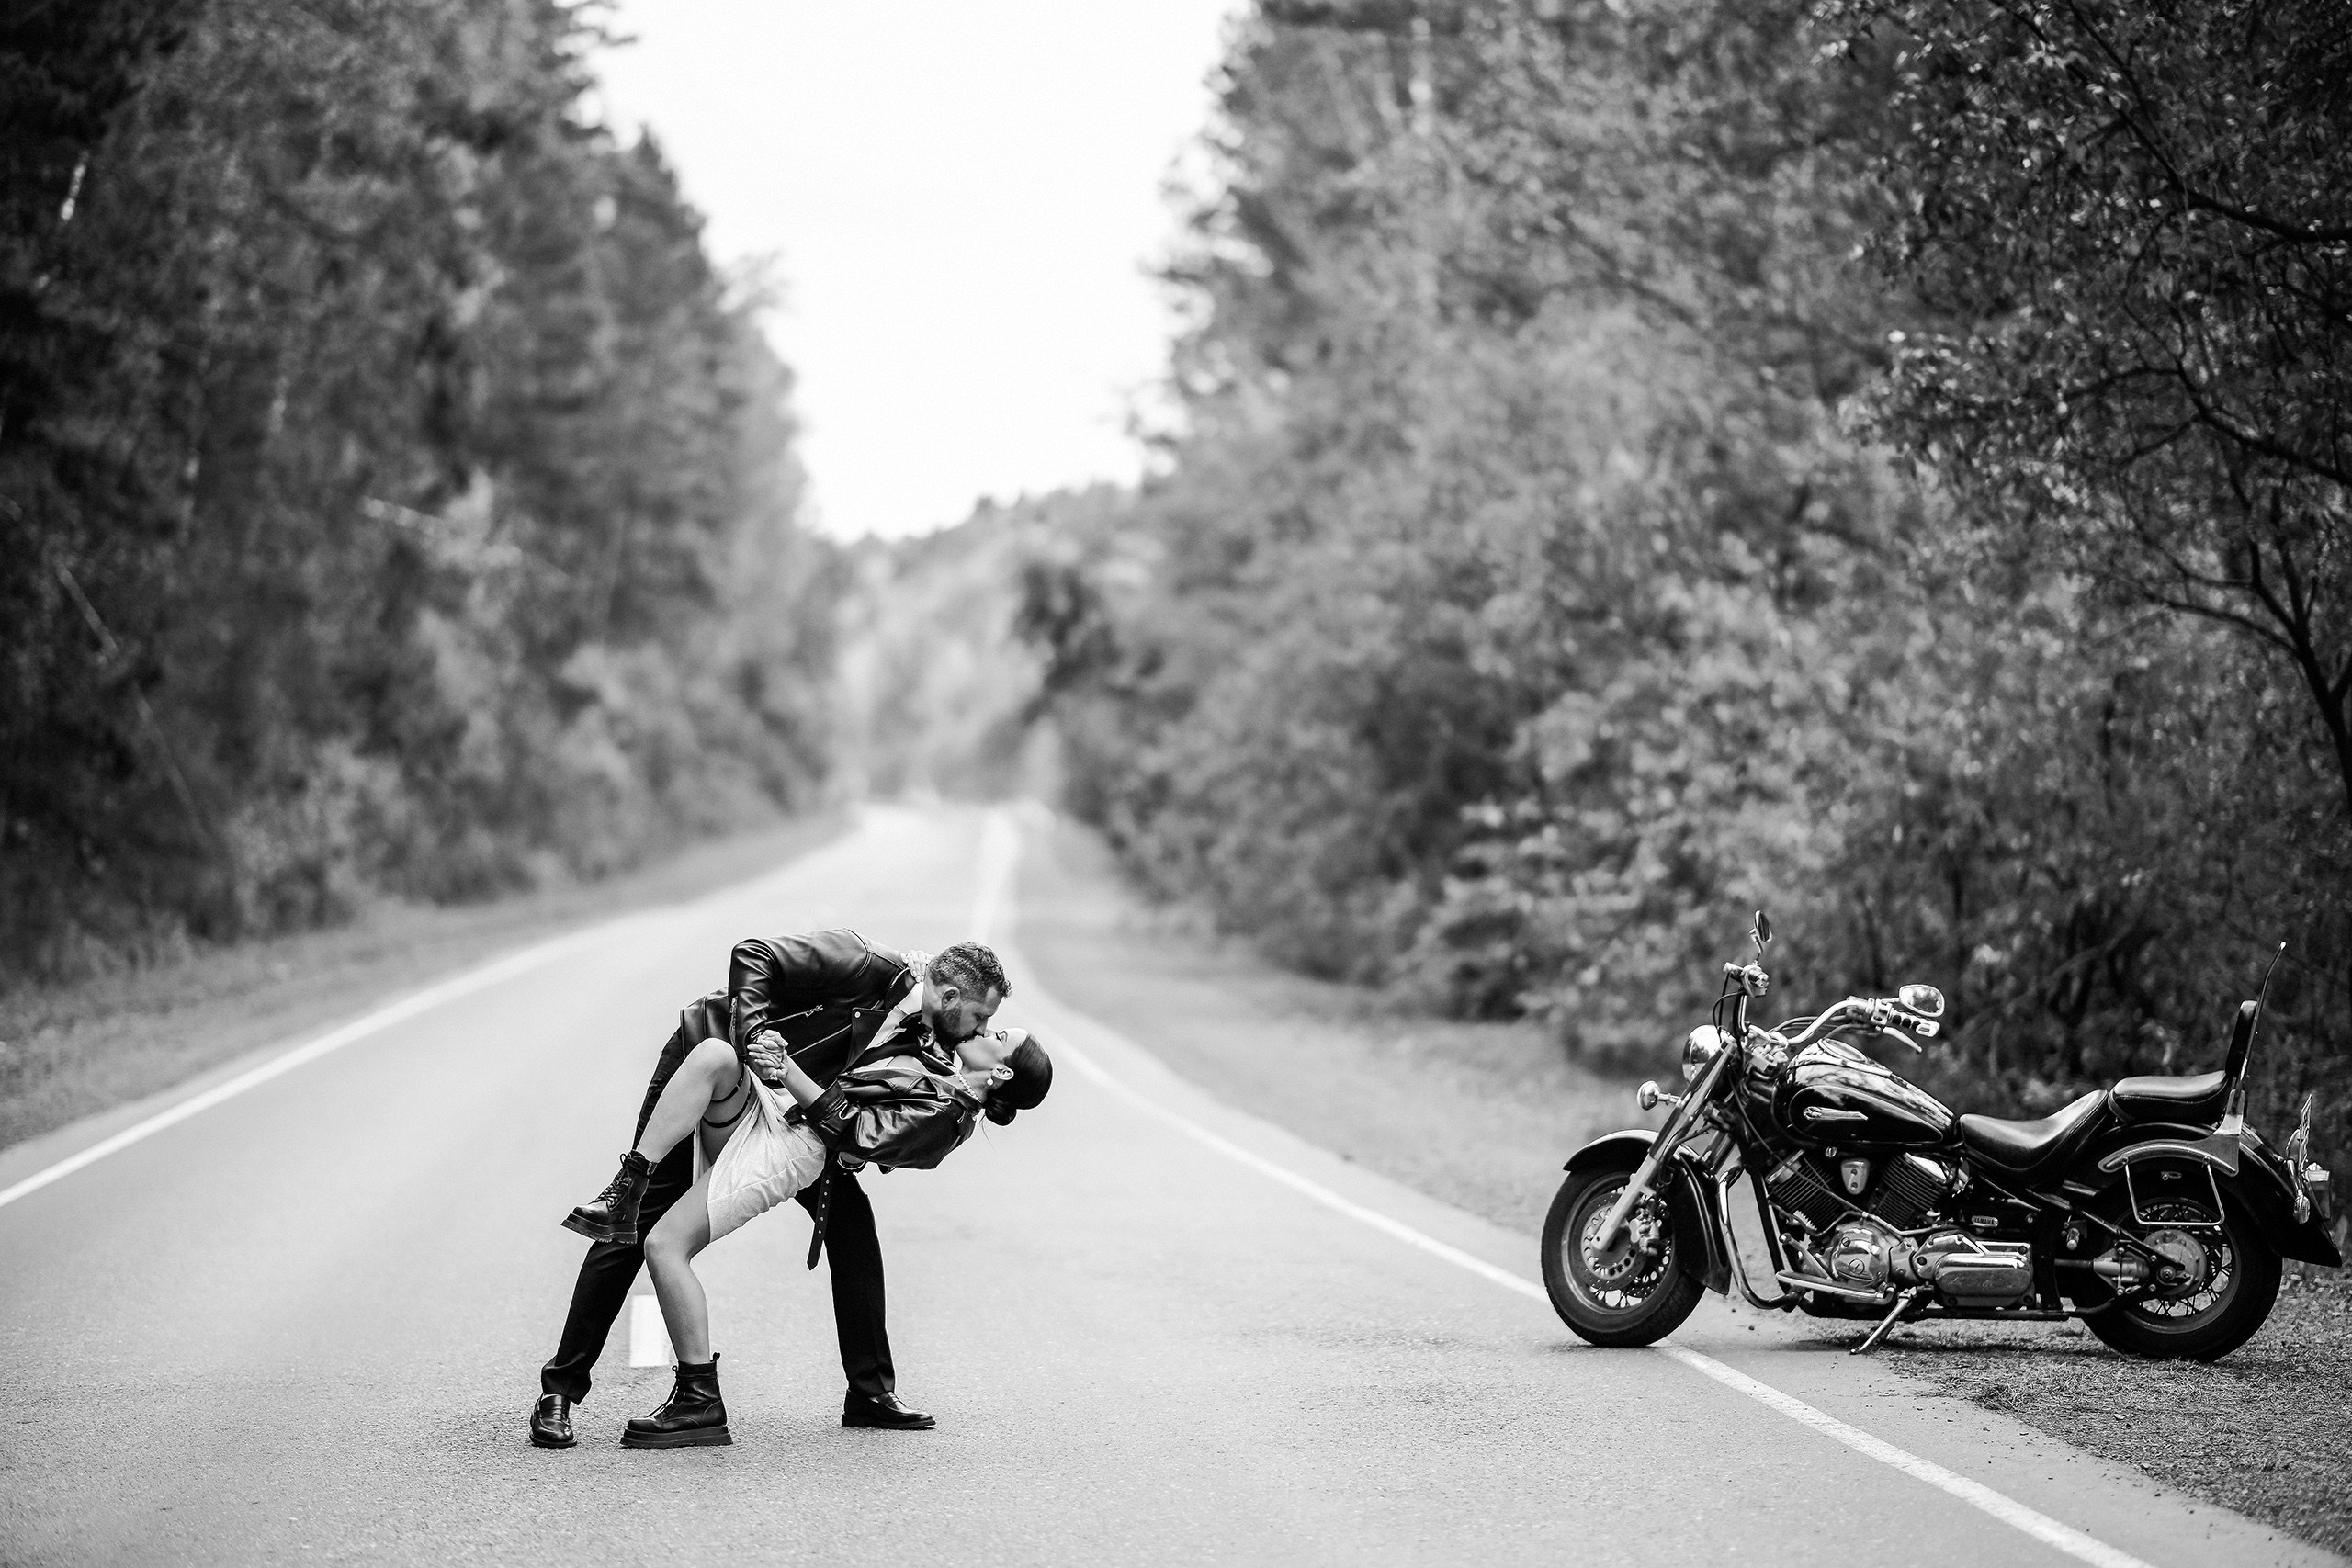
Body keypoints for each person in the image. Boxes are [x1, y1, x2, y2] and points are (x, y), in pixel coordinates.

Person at [528, 933, 1013, 1448]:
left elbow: (885, 1112)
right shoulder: (867, 964)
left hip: (785, 1117)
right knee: (639, 1218)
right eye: (981, 1018)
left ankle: (870, 1394)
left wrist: (872, 1146)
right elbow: (754, 953)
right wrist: (756, 1033)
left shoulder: (934, 1037)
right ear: (950, 997)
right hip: (716, 1067)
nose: (982, 1030)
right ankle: (559, 1392)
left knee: (852, 1226)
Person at [609, 997, 1051, 1447]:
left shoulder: (947, 1113)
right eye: (988, 1022)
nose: (986, 1029)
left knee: (664, 1245)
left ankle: (698, 1398)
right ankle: (870, 1391)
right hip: (786, 1118)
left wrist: (785, 1066)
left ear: (1001, 1072)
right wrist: (916, 990)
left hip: (794, 1144)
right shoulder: (944, 1069)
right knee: (714, 1057)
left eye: (999, 1036)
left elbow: (855, 1132)